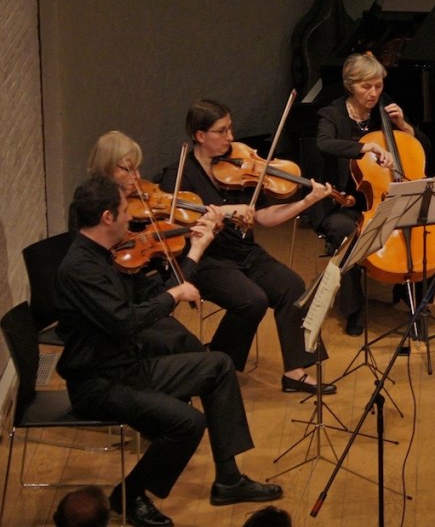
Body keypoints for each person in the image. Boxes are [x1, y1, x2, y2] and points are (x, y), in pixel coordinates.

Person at [55, 175, 282, 527]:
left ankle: (229, 479)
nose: (131, 217)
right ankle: (130, 495)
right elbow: (125, 322)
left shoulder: (108, 256)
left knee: (219, 366)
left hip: (128, 366)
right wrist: (174, 295)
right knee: (187, 422)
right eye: (124, 210)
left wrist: (195, 251)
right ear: (107, 217)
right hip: (99, 383)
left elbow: (151, 295)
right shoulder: (79, 269)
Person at [159, 99, 336, 394]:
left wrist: (306, 202)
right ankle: (217, 362)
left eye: (230, 129)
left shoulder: (239, 166)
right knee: (252, 300)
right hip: (206, 259)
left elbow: (264, 217)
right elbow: (179, 221)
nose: (230, 137)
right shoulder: (178, 175)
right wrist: (228, 211)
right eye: (221, 131)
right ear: (200, 135)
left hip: (244, 252)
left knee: (292, 286)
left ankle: (294, 372)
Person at [314, 51, 433, 335]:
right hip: (345, 201)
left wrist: (404, 126)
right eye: (366, 86)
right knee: (347, 232)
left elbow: (423, 148)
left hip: (386, 196)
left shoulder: (385, 109)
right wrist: (364, 146)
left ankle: (416, 300)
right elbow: (324, 143)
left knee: (428, 225)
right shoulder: (332, 114)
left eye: (378, 86)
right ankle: (354, 309)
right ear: (350, 85)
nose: (374, 93)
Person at [78, 130, 206, 357]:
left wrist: (186, 240)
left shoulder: (134, 207)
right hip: (115, 318)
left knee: (187, 343)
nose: (137, 177)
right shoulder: (89, 211)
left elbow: (150, 287)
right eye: (128, 169)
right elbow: (122, 311)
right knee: (183, 345)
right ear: (107, 168)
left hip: (136, 291)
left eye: (137, 168)